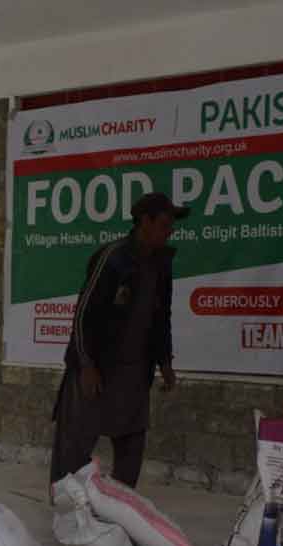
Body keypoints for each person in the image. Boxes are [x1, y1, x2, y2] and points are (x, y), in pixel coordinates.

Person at [49, 192, 183, 490]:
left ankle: (122, 509)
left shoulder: (162, 264)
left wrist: (165, 362)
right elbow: (84, 313)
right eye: (164, 224)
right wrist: (85, 364)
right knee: (74, 447)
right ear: (144, 222)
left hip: (134, 371)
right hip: (96, 368)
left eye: (171, 225)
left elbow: (162, 317)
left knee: (131, 446)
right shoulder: (112, 257)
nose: (170, 230)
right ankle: (68, 508)